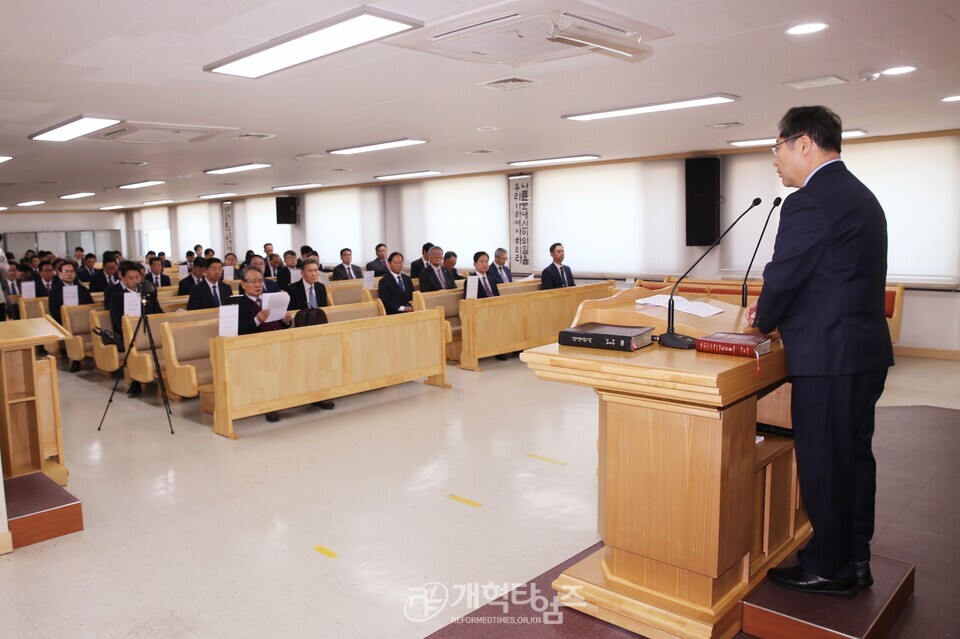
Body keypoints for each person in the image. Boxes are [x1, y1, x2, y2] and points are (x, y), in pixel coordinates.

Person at [746, 106, 894, 597]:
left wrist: (762, 318)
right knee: (853, 461)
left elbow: (786, 271)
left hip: (830, 358)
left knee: (826, 464)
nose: (775, 160)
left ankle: (828, 567)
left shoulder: (809, 201)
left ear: (803, 143)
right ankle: (854, 559)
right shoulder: (860, 195)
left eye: (777, 147)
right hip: (862, 353)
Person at [109, 261, 163, 396]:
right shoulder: (117, 297)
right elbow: (116, 323)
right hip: (129, 334)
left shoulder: (149, 293)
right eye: (130, 278)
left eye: (137, 277)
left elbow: (158, 312)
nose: (135, 281)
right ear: (123, 279)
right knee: (134, 344)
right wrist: (129, 330)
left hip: (151, 330)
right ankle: (136, 380)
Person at [47, 262, 94, 370]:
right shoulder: (55, 291)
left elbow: (90, 306)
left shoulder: (82, 289)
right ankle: (75, 360)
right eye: (65, 271)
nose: (69, 274)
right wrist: (66, 321)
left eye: (71, 271)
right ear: (59, 274)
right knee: (70, 330)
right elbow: (54, 311)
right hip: (64, 324)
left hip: (84, 322)